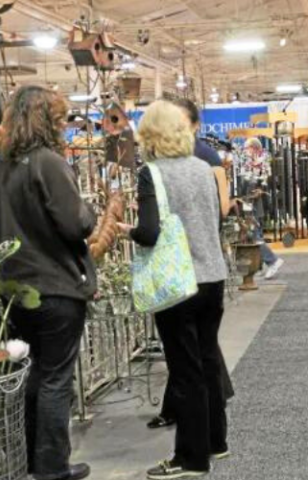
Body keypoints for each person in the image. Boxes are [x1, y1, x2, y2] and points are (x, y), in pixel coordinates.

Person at [0, 85, 95, 480]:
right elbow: (75, 223)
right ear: (46, 121)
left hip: (15, 289)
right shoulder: (47, 162)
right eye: (60, 119)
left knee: (33, 375)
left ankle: (32, 461)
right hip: (55, 287)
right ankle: (52, 468)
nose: (64, 126)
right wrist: (91, 211)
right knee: (54, 379)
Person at [118, 100, 230, 479]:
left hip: (177, 282)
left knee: (185, 371)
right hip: (213, 275)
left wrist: (125, 231)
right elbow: (216, 218)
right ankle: (216, 441)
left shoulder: (152, 173)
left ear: (150, 135)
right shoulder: (204, 167)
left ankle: (191, 458)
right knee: (209, 360)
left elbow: (149, 232)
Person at [242, 138, 284, 279]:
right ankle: (259, 266)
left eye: (247, 148)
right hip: (251, 204)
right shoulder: (250, 165)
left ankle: (272, 260)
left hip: (254, 205)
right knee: (255, 234)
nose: (245, 152)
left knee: (255, 236)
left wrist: (254, 193)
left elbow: (261, 186)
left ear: (254, 149)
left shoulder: (261, 166)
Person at [174, 98, 222, 167]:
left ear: (196, 125)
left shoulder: (208, 155)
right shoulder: (163, 155)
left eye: (181, 124)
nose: (176, 127)